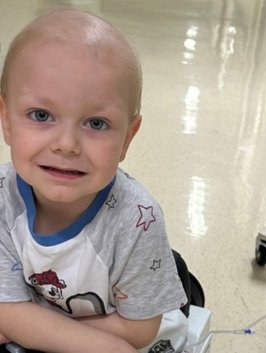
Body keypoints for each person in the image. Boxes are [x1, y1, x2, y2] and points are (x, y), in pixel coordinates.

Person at [0, 9, 188, 353]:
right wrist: (22, 322)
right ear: (6, 121)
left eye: (96, 124)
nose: (66, 144)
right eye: (41, 115)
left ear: (128, 138)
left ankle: (173, 282)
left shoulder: (137, 220)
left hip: (125, 327)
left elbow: (139, 331)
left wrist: (29, 324)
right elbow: (6, 310)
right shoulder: (2, 199)